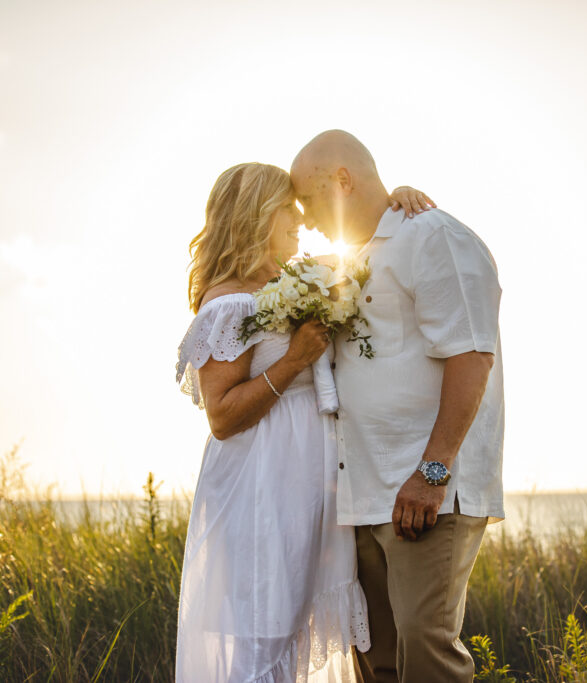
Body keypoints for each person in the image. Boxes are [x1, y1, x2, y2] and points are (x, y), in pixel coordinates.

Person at [174, 161, 432, 682]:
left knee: (297, 624)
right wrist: (293, 360)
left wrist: (394, 202)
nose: (299, 218)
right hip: (260, 485)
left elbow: (359, 251)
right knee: (262, 630)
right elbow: (221, 417)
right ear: (255, 214)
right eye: (286, 208)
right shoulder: (228, 301)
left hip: (313, 482)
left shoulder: (294, 281)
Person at [290, 131, 505, 682]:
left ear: (342, 180)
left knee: (425, 649)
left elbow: (471, 356)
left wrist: (432, 473)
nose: (305, 218)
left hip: (423, 489)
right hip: (361, 493)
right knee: (376, 656)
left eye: (307, 200)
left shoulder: (433, 237)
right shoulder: (347, 260)